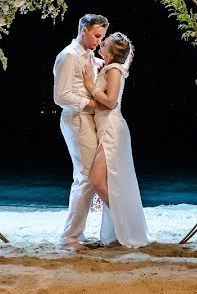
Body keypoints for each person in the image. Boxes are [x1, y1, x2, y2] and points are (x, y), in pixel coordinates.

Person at [82, 32, 149, 248]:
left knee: (98, 182)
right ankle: (124, 227)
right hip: (106, 129)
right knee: (111, 183)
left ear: (111, 52)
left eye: (106, 41)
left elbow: (110, 102)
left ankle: (127, 225)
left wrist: (90, 85)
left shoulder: (113, 70)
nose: (102, 42)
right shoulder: (109, 67)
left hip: (112, 130)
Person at [53, 13, 109, 252]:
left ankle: (77, 233)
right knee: (86, 178)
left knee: (87, 177)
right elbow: (61, 96)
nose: (99, 41)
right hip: (76, 119)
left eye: (102, 37)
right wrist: (93, 105)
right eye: (97, 35)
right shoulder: (68, 56)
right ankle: (69, 238)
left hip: (88, 120)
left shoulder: (89, 56)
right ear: (83, 30)